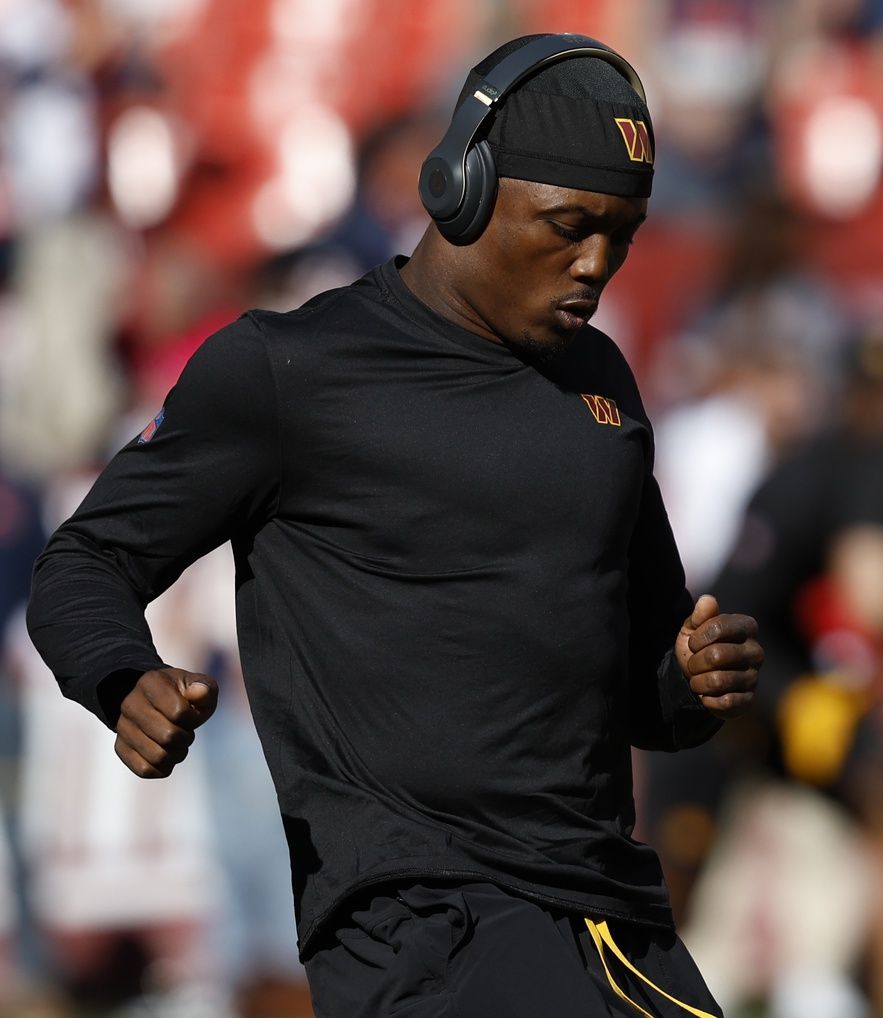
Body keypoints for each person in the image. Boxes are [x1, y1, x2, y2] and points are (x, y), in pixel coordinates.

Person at [26, 33, 761, 1018]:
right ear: (460, 187)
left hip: (611, 913)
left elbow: (640, 693)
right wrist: (122, 676)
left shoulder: (601, 382)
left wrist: (691, 681)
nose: (596, 264)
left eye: (621, 234)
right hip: (421, 923)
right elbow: (84, 560)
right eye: (568, 224)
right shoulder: (288, 371)